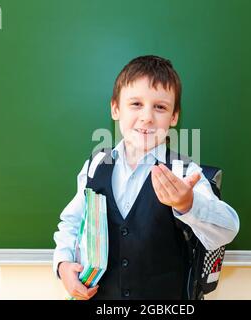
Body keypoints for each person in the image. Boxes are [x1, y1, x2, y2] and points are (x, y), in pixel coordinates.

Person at [52, 55, 240, 300]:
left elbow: (227, 229)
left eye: (160, 107)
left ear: (174, 117)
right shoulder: (96, 164)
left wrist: (188, 204)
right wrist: (64, 264)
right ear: (115, 108)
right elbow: (73, 222)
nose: (147, 117)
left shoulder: (184, 172)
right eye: (136, 104)